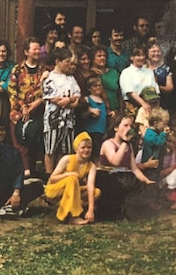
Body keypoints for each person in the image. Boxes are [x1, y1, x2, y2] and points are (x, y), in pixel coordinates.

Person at [0, 119, 44, 217]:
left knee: (37, 186)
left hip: (8, 190)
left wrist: (16, 193)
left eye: (2, 130)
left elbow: (18, 174)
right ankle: (7, 208)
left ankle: (7, 208)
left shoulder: (13, 151)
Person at [7, 37, 46, 177]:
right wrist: (23, 106)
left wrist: (38, 101)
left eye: (38, 49)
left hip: (38, 110)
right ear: (26, 51)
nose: (37, 52)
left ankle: (34, 170)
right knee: (20, 140)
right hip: (19, 110)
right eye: (34, 49)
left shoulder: (43, 69)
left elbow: (47, 90)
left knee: (35, 139)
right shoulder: (17, 69)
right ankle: (23, 170)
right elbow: (12, 91)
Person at [44, 132, 101, 225]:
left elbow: (90, 186)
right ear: (76, 149)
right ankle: (74, 216)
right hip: (55, 190)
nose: (86, 150)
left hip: (72, 191)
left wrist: (91, 210)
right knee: (72, 179)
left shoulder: (91, 166)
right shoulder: (67, 159)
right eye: (83, 148)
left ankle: (70, 210)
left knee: (96, 192)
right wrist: (68, 174)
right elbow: (53, 178)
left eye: (89, 147)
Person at [42, 47, 81, 175]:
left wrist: (69, 100)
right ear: (58, 61)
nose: (69, 65)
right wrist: (69, 102)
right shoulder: (50, 78)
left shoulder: (71, 78)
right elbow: (53, 98)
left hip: (68, 120)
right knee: (51, 149)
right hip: (53, 120)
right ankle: (49, 175)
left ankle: (60, 174)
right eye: (66, 62)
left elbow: (76, 95)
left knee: (65, 149)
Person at [119, 45, 158, 117]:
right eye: (138, 55)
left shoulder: (149, 72)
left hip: (150, 105)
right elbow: (130, 92)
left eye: (143, 55)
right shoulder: (126, 72)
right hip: (133, 106)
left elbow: (156, 90)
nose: (141, 58)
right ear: (131, 57)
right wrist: (143, 104)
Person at [90, 44, 121, 129]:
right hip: (99, 112)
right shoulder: (90, 74)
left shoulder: (114, 73)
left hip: (115, 111)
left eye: (104, 55)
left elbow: (119, 93)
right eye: (99, 56)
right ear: (93, 58)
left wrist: (120, 111)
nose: (102, 58)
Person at [79, 76, 108, 158]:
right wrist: (90, 111)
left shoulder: (103, 101)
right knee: (92, 152)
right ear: (89, 88)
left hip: (102, 130)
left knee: (100, 152)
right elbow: (82, 116)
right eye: (95, 86)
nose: (98, 87)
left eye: (99, 85)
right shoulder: (87, 99)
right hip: (91, 131)